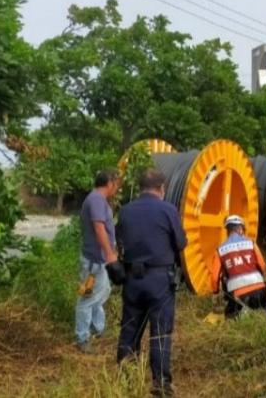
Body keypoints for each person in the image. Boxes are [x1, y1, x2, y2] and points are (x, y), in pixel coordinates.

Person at [116, 168, 187, 396]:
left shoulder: (125, 211)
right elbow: (181, 242)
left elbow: (120, 242)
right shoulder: (168, 210)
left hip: (132, 280)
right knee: (160, 333)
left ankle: (126, 379)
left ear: (140, 188)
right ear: (161, 189)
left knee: (129, 331)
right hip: (159, 280)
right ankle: (161, 384)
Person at [75, 169, 122, 354]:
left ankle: (98, 328)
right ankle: (82, 337)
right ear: (109, 183)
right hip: (94, 260)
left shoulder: (98, 200)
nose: (116, 189)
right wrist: (110, 254)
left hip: (98, 259)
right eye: (116, 185)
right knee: (87, 298)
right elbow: (99, 228)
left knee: (102, 293)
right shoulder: (95, 200)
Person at [209, 215, 266, 318]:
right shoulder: (251, 243)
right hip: (260, 294)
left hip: (239, 297)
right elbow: (263, 267)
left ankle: (241, 313)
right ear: (240, 229)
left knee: (230, 317)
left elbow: (214, 278)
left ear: (228, 230)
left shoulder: (220, 250)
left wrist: (215, 292)